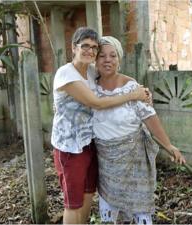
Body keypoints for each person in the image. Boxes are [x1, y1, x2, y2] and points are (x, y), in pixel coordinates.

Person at [51, 27, 150, 224]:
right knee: (73, 203)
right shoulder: (66, 73)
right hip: (70, 148)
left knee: (88, 194)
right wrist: (133, 95)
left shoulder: (89, 71)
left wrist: (139, 88)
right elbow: (97, 103)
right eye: (85, 46)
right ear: (74, 48)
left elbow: (113, 73)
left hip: (89, 143)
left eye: (94, 47)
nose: (90, 51)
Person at [92, 36, 186, 224]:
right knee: (110, 210)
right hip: (105, 162)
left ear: (119, 60)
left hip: (134, 158)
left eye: (113, 55)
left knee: (139, 208)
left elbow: (150, 117)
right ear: (95, 60)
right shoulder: (90, 87)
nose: (107, 60)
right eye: (102, 56)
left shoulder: (132, 87)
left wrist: (169, 146)